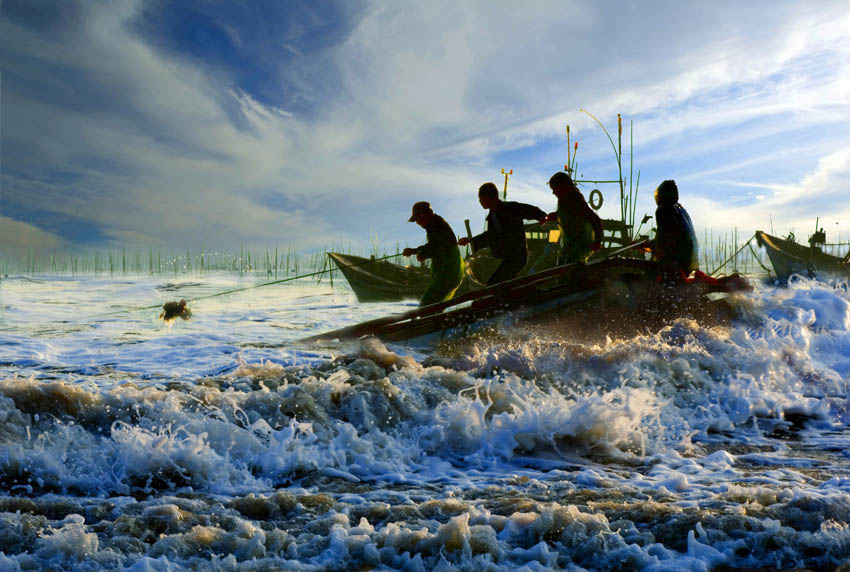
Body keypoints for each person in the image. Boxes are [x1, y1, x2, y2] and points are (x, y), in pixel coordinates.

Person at [458, 182, 547, 285]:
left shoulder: (509, 208)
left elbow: (530, 210)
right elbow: (490, 235)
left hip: (517, 255)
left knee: (494, 283)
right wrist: (471, 240)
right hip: (508, 257)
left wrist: (542, 217)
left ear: (487, 197)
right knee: (504, 281)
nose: (479, 201)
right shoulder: (492, 217)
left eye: (480, 198)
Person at [402, 201, 464, 307]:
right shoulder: (435, 225)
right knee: (435, 305)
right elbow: (434, 245)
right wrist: (417, 251)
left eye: (417, 219)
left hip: (448, 272)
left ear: (423, 214)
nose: (417, 223)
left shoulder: (436, 225)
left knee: (426, 305)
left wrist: (419, 253)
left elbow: (437, 246)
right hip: (449, 273)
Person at [544, 171, 603, 265]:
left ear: (564, 186)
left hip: (580, 246)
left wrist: (597, 242)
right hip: (569, 246)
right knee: (562, 267)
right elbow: (568, 215)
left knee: (570, 270)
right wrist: (556, 215)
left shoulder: (575, 199)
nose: (553, 192)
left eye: (555, 188)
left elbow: (595, 219)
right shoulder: (563, 201)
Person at [651, 179, 699, 274]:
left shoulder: (664, 208)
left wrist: (658, 249)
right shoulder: (681, 210)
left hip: (675, 263)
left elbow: (669, 235)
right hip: (689, 264)